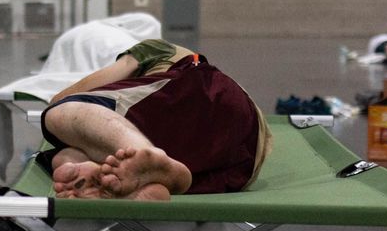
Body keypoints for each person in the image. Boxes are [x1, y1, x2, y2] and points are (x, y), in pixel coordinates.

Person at [38, 38, 271, 201]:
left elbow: (64, 97)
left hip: (200, 92)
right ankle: (122, 187)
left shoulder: (152, 49)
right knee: (66, 160)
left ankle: (144, 154)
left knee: (58, 113)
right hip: (241, 154)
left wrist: (60, 104)